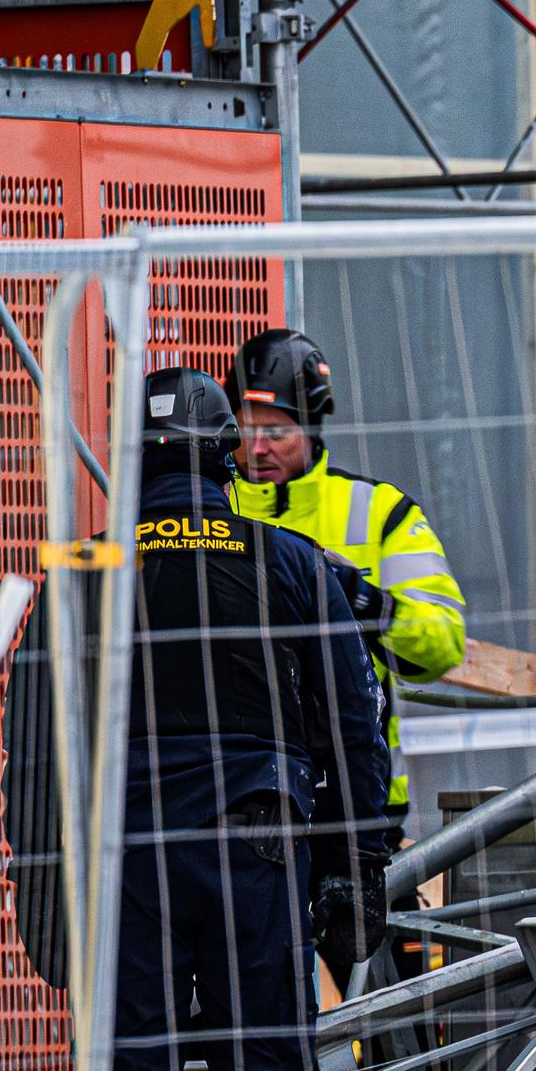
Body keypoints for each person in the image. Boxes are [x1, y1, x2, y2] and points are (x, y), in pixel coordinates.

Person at [7, 369, 394, 1071]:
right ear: (228, 459)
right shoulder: (290, 562)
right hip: (256, 842)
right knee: (258, 1060)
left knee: (134, 1062)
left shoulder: (78, 571)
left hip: (127, 853)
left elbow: (35, 746)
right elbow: (353, 727)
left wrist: (38, 880)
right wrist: (358, 860)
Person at [227, 326, 465, 821]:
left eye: (276, 431)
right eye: (245, 430)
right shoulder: (210, 513)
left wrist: (367, 603)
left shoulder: (380, 513)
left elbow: (442, 644)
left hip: (356, 801)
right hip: (233, 800)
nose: (259, 448)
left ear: (312, 429)